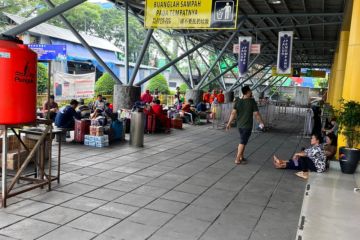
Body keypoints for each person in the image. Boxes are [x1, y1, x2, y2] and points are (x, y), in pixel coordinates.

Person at [226, 86, 265, 165]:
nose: (251, 92)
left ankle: (241, 157)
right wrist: (261, 122)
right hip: (247, 125)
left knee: (243, 141)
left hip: (239, 125)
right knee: (243, 142)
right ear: (247, 92)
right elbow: (256, 114)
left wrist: (229, 123)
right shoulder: (251, 101)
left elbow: (233, 113)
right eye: (250, 91)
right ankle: (237, 158)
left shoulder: (238, 101)